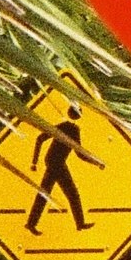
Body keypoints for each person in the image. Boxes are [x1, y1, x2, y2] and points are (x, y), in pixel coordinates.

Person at [25, 101, 103, 238]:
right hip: (56, 164)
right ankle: (79, 223)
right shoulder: (72, 129)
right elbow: (79, 153)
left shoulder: (62, 126)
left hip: (54, 162)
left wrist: (35, 162)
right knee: (69, 194)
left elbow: (40, 139)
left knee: (47, 193)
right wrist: (97, 162)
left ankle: (32, 224)